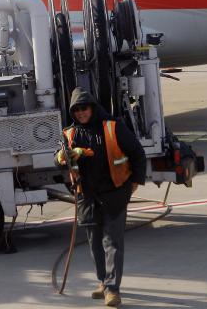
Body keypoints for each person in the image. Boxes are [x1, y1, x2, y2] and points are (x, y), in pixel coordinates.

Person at [56, 87, 146, 307]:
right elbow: (62, 161)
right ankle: (103, 281)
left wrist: (135, 182)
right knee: (94, 242)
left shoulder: (113, 127)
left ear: (92, 108)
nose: (80, 113)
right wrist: (61, 157)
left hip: (114, 192)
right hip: (87, 195)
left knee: (112, 242)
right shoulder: (70, 134)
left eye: (84, 108)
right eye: (76, 110)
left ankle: (113, 289)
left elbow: (137, 154)